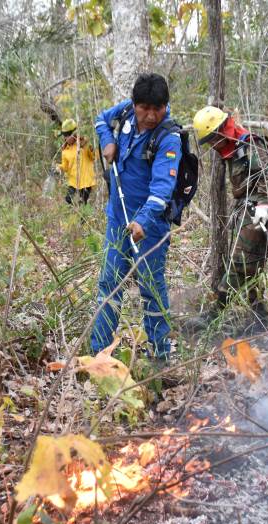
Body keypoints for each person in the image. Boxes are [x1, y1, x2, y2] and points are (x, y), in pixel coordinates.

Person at [89, 73, 181, 360]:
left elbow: (162, 189)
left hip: (149, 226)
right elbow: (101, 119)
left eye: (158, 108)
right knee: (109, 283)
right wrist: (108, 141)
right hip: (117, 218)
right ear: (134, 103)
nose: (151, 115)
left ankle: (161, 355)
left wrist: (143, 220)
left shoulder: (169, 138)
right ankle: (99, 352)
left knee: (151, 288)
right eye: (145, 108)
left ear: (165, 106)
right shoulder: (126, 111)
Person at [185, 106, 268, 332]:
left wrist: (264, 210)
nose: (212, 146)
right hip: (245, 207)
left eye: (212, 140)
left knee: (241, 259)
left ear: (220, 133)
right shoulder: (232, 148)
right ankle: (259, 311)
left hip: (260, 209)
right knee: (251, 261)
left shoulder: (251, 144)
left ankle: (215, 312)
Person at [57, 118, 97, 205]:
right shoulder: (65, 150)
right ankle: (73, 216)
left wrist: (87, 145)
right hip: (73, 182)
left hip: (86, 182)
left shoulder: (83, 144)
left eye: (67, 135)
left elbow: (94, 157)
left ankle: (82, 218)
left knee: (82, 203)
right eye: (64, 135)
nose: (66, 138)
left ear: (74, 134)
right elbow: (65, 167)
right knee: (68, 200)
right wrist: (58, 167)